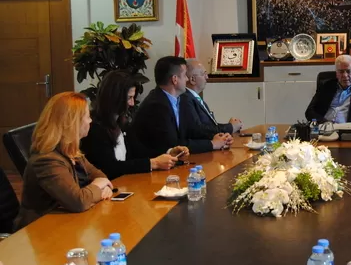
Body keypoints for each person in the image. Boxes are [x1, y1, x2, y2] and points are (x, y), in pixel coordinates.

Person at [14, 92, 113, 230]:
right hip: (42, 230)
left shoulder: (71, 151)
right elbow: (78, 202)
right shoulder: (46, 160)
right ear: (72, 122)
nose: (90, 121)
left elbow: (100, 176)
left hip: (68, 223)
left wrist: (103, 186)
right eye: (87, 116)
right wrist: (98, 186)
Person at [80, 70, 190, 180]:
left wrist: (170, 153)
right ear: (115, 97)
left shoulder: (122, 124)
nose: (132, 103)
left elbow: (139, 152)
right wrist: (153, 163)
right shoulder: (94, 128)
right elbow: (109, 168)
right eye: (129, 98)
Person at [132, 56, 232, 158]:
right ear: (175, 79)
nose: (187, 79)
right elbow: (173, 145)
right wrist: (212, 144)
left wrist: (217, 138)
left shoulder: (176, 100)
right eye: (184, 75)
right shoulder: (157, 105)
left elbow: (191, 131)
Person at [305, 55, 351, 124]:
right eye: (341, 71)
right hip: (325, 127)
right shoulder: (326, 86)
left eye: (348, 71)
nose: (345, 75)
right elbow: (309, 112)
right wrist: (323, 122)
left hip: (348, 128)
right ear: (337, 73)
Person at [182, 59, 243, 136]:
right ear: (192, 79)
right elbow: (199, 130)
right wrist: (230, 127)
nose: (207, 77)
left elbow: (210, 126)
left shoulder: (195, 98)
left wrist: (231, 127)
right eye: (204, 74)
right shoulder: (186, 99)